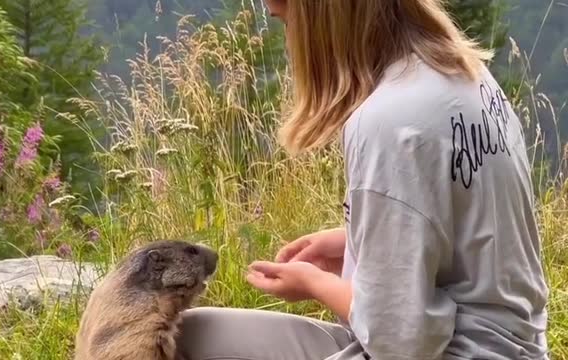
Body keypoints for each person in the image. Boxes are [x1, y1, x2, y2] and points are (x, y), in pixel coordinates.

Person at [175, 0, 550, 359]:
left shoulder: (389, 121)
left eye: (286, 22)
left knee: (185, 345)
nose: (289, 42)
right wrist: (354, 240)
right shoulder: (463, 74)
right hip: (513, 346)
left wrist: (314, 284)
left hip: (454, 353)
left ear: (320, 17)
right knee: (194, 332)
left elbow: (402, 341)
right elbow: (468, 227)